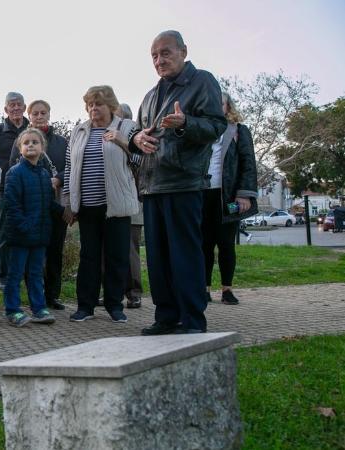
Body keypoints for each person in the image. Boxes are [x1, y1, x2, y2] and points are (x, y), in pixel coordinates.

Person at [129, 31, 227, 335]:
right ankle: (166, 317)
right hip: (151, 184)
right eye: (154, 55)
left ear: (183, 51)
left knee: (184, 255)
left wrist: (185, 124)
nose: (160, 60)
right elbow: (136, 131)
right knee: (157, 258)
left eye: (166, 53)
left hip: (184, 183)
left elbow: (216, 125)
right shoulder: (149, 95)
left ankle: (193, 320)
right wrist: (136, 138)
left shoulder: (202, 82)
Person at [63, 86, 139, 324]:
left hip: (115, 205)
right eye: (90, 105)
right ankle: (85, 306)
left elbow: (142, 159)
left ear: (111, 106)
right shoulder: (79, 131)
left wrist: (123, 141)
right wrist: (68, 202)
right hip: (87, 206)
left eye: (99, 104)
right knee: (89, 257)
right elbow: (69, 168)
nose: (94, 109)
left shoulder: (126, 127)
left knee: (117, 257)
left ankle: (115, 306)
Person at [3, 128, 65, 326]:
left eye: (35, 142)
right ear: (20, 149)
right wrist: (26, 226)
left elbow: (46, 202)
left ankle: (38, 308)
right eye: (26, 142)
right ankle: (13, 310)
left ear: (42, 148)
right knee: (15, 274)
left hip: (40, 236)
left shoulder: (44, 174)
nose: (31, 145)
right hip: (20, 236)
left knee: (36, 273)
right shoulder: (15, 173)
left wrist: (64, 212)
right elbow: (12, 206)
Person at [201, 92, 257, 305]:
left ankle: (227, 290)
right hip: (204, 194)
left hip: (230, 197)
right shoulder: (203, 131)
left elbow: (248, 163)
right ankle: (204, 290)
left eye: (220, 103)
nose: (216, 106)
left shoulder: (239, 131)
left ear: (227, 106)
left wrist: (244, 195)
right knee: (204, 244)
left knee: (226, 243)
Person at [25, 100, 68, 310]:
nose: (39, 116)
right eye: (35, 113)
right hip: (32, 206)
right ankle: (36, 295)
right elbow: (17, 166)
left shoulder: (61, 142)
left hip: (56, 204)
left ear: (49, 114)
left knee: (54, 251)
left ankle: (53, 295)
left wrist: (58, 179)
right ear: (29, 116)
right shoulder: (23, 140)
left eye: (43, 113)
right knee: (33, 253)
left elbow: (71, 167)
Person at [0, 92, 29, 290]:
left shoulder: (32, 129)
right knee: (5, 232)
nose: (15, 108)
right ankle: (2, 275)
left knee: (28, 232)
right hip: (5, 189)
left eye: (18, 104)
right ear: (5, 109)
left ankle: (27, 275)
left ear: (24, 107)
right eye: (11, 105)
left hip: (29, 190)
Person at [117, 103, 144, 309]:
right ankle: (113, 293)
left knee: (130, 250)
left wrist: (122, 142)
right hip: (110, 203)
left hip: (132, 202)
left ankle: (134, 293)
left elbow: (137, 162)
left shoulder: (136, 138)